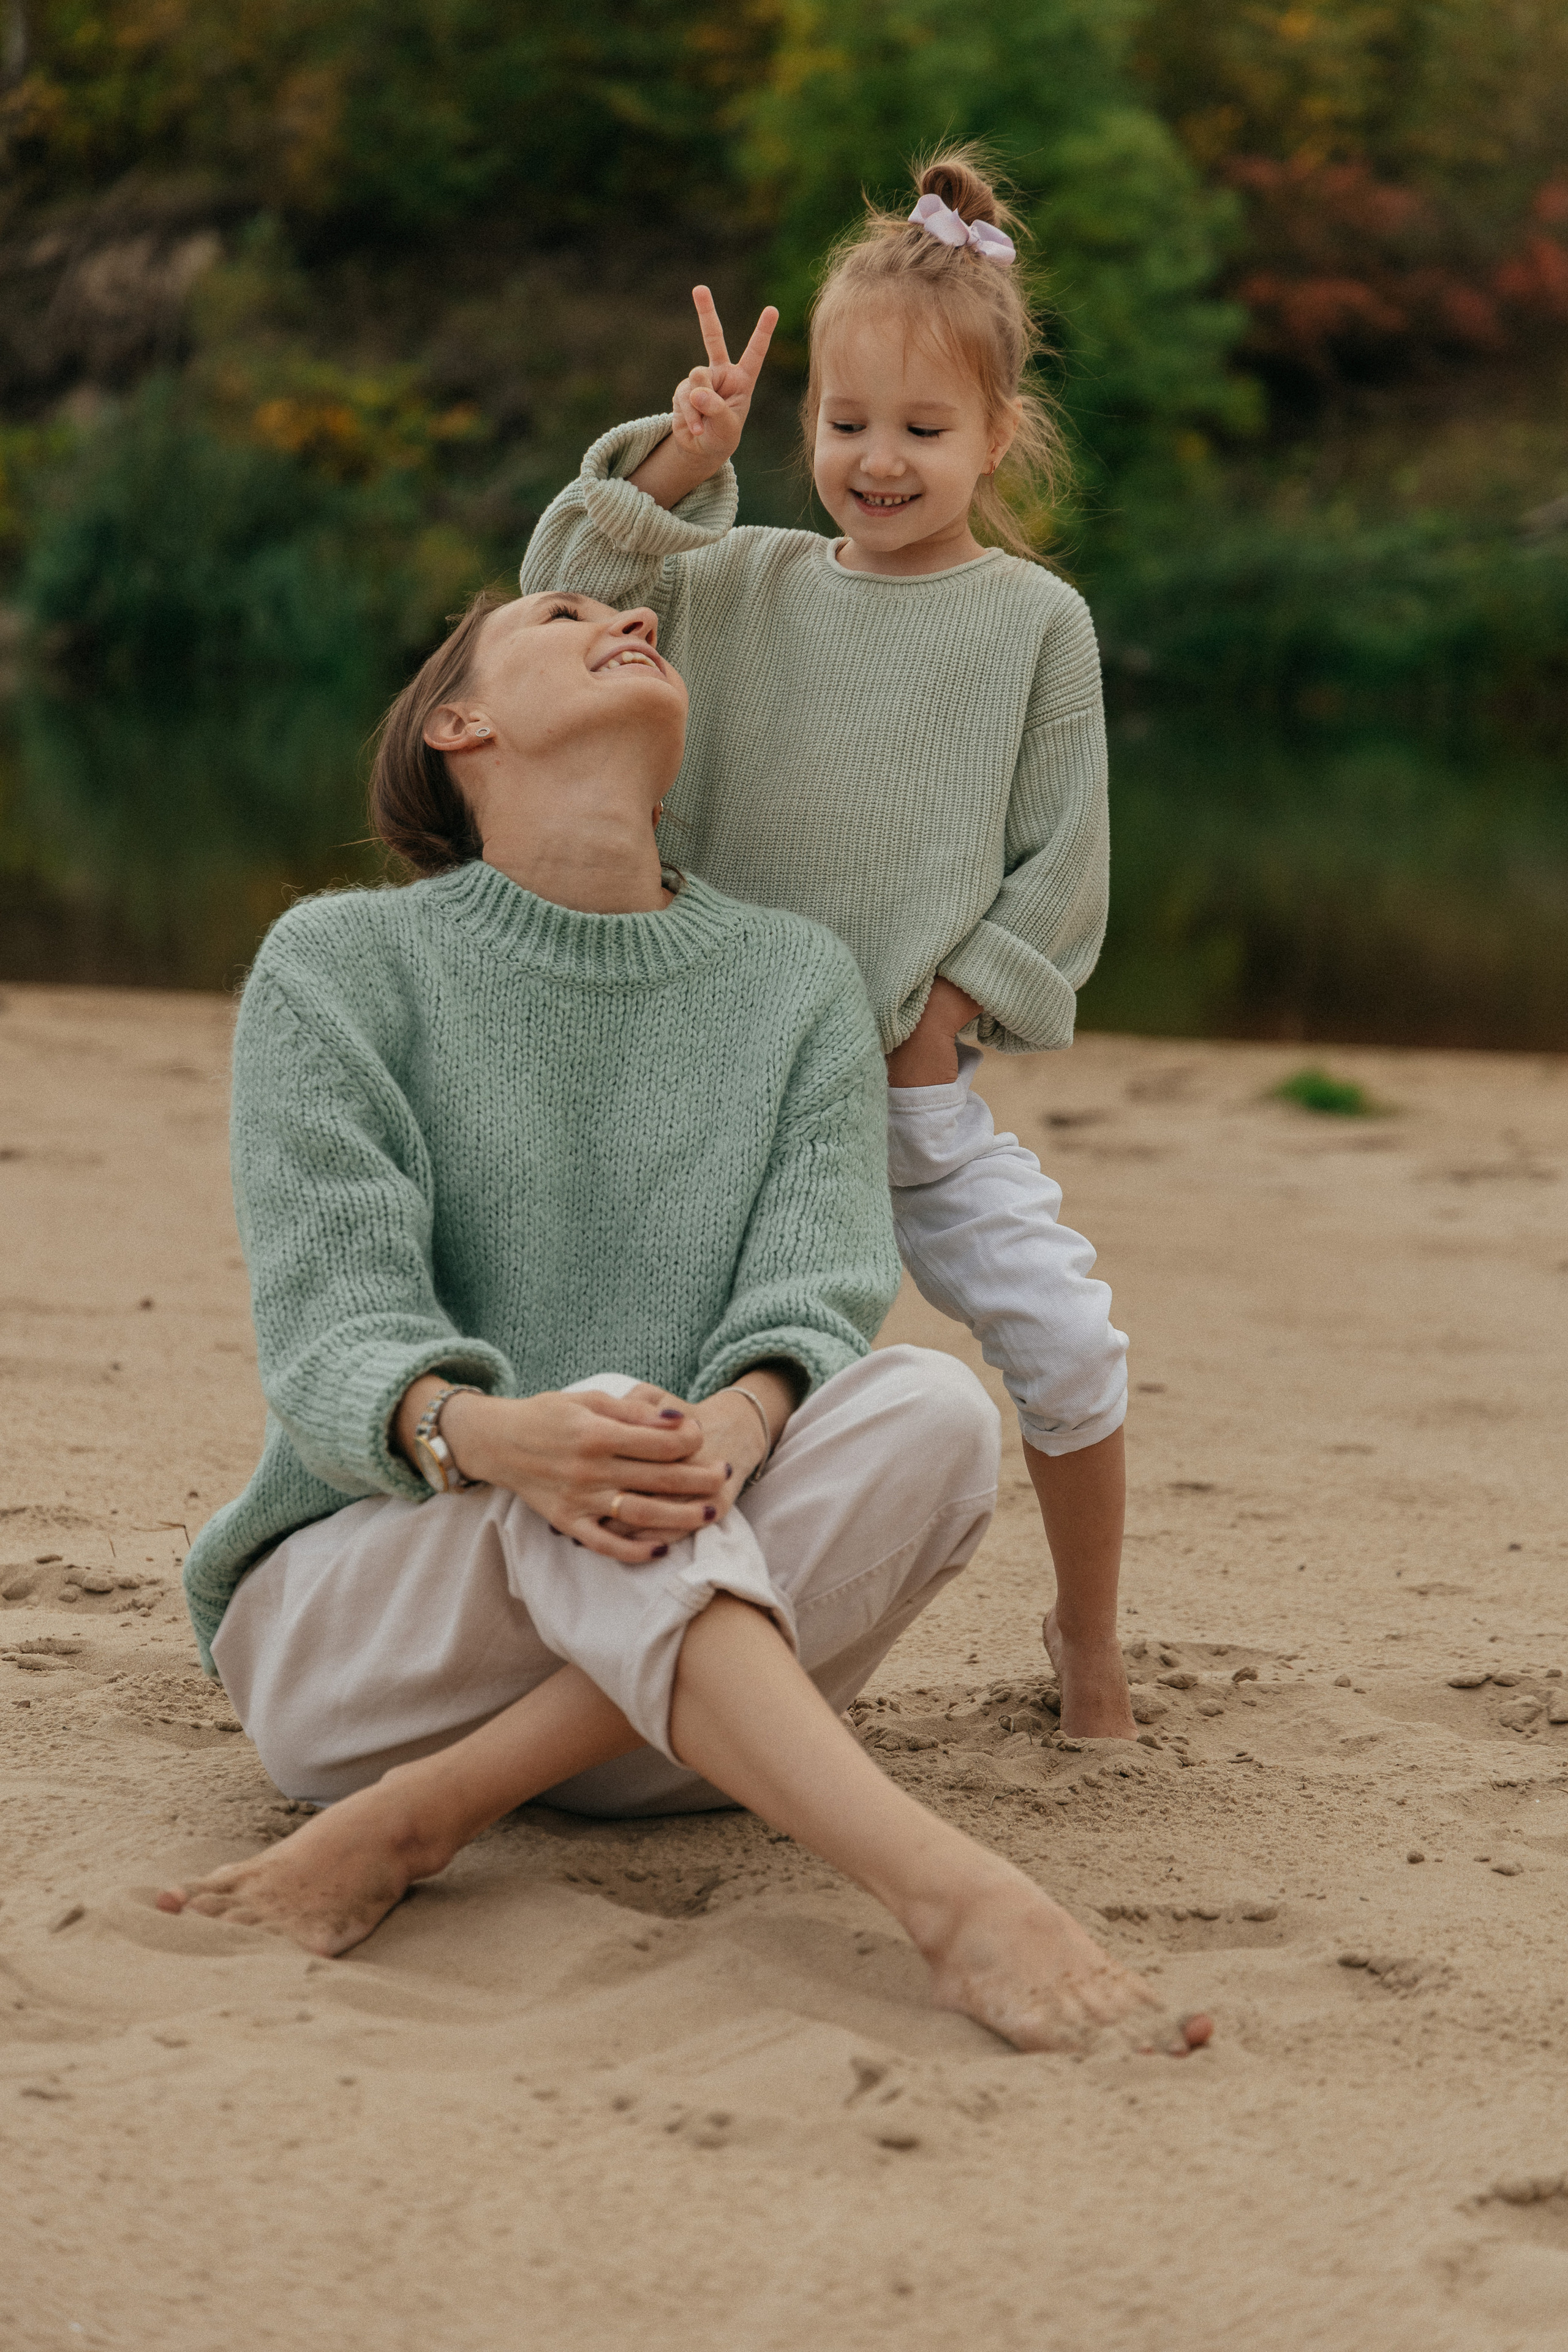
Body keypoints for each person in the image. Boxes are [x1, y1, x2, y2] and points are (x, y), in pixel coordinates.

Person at [159, 585, 1209, 2058]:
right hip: (367, 1648)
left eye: (635, 604)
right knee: (601, 1413)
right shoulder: (340, 966)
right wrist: (496, 1437)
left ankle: (428, 1819)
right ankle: (952, 1896)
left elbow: (820, 1285)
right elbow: (333, 1328)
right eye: (565, 608)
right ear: (460, 724)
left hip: (667, 1717)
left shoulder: (792, 982)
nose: (633, 610)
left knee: (930, 1412)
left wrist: (737, 1416)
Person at [521, 146, 1140, 1743]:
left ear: (999, 435)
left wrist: (949, 1014)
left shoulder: (1033, 626)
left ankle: (1089, 1638)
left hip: (906, 1093)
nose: (877, 460)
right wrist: (678, 459)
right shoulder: (740, 584)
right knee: (684, 1374)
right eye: (845, 425)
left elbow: (1062, 867)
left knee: (1066, 1339)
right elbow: (560, 598)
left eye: (923, 431)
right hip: (723, 1086)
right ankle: (652, 1641)